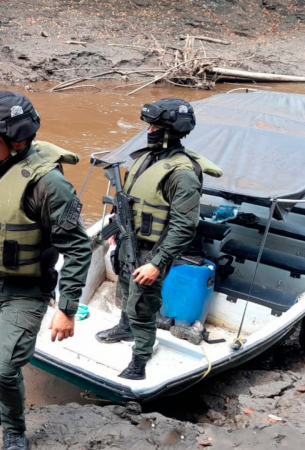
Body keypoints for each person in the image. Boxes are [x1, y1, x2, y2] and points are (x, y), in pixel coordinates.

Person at [0, 91, 91, 450]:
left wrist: (67, 308)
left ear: (18, 140)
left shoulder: (49, 184)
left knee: (2, 368)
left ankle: (14, 432)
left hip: (26, 291)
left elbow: (78, 247)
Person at [95, 98, 222, 380]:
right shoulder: (145, 158)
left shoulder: (182, 173)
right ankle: (125, 326)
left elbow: (184, 226)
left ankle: (140, 357)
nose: (149, 130)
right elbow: (128, 202)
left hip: (154, 250)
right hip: (129, 241)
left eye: (155, 126)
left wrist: (158, 263)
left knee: (143, 304)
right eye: (150, 125)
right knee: (126, 289)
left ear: (169, 131)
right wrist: (118, 232)